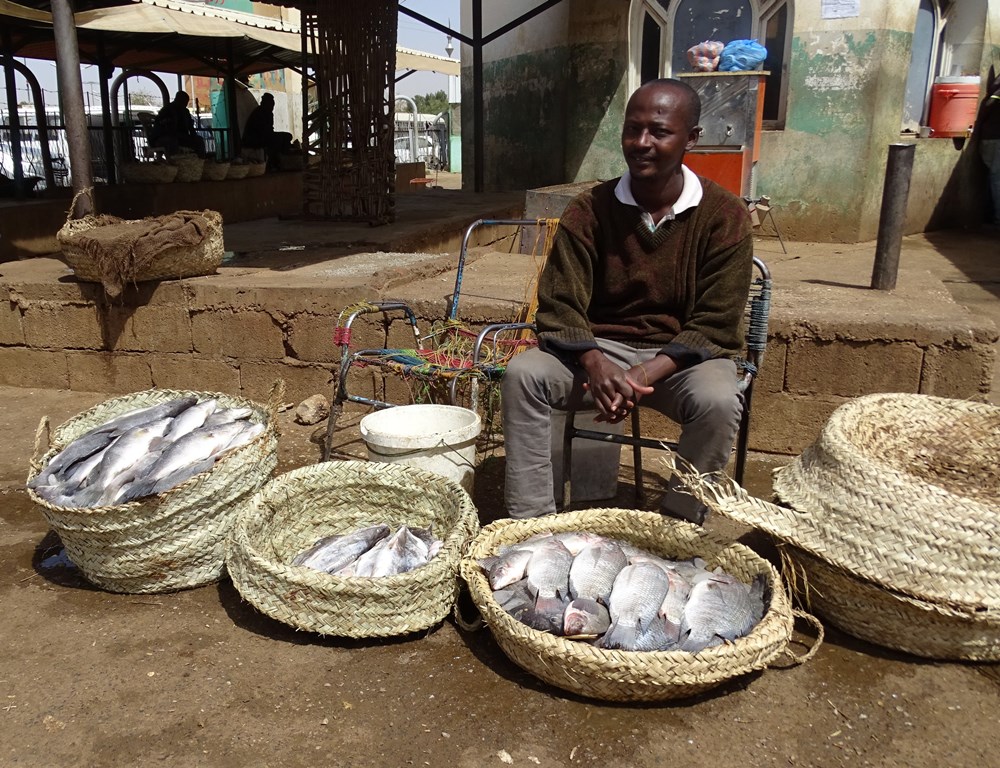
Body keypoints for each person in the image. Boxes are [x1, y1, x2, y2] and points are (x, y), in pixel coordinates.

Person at [501, 78, 754, 524]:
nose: (641, 143)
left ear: (690, 138)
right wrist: (598, 365)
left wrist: (640, 373)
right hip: (598, 351)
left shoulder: (724, 216)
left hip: (681, 361)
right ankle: (532, 528)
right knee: (525, 374)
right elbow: (559, 305)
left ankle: (679, 528)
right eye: (632, 130)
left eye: (659, 132)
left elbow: (716, 323)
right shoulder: (589, 210)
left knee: (718, 401)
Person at [241, 93, 292, 170]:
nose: (272, 107)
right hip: (255, 139)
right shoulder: (260, 112)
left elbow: (269, 130)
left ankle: (280, 161)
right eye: (271, 104)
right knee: (284, 138)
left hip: (262, 137)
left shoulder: (266, 113)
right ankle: (276, 162)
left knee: (285, 137)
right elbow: (263, 131)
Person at [975, 70, 1000, 228]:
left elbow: (989, 105)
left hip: (995, 138)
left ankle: (998, 219)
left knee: (996, 179)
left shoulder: (997, 92)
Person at [148, 91, 205, 157]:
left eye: (186, 102)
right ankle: (173, 162)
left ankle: (200, 161)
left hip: (181, 137)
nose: (185, 104)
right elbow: (160, 127)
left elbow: (191, 128)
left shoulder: (186, 112)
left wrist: (194, 136)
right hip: (163, 138)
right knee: (172, 140)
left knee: (199, 140)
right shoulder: (166, 110)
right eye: (183, 101)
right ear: (177, 100)